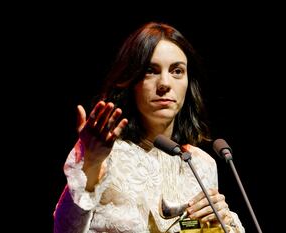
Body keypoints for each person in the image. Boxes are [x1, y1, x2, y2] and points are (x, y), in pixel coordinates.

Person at [53, 21, 245, 233]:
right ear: (130, 80)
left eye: (177, 71)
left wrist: (223, 222)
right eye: (151, 71)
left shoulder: (201, 165)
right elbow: (64, 229)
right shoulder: (101, 153)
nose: (165, 83)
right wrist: (90, 165)